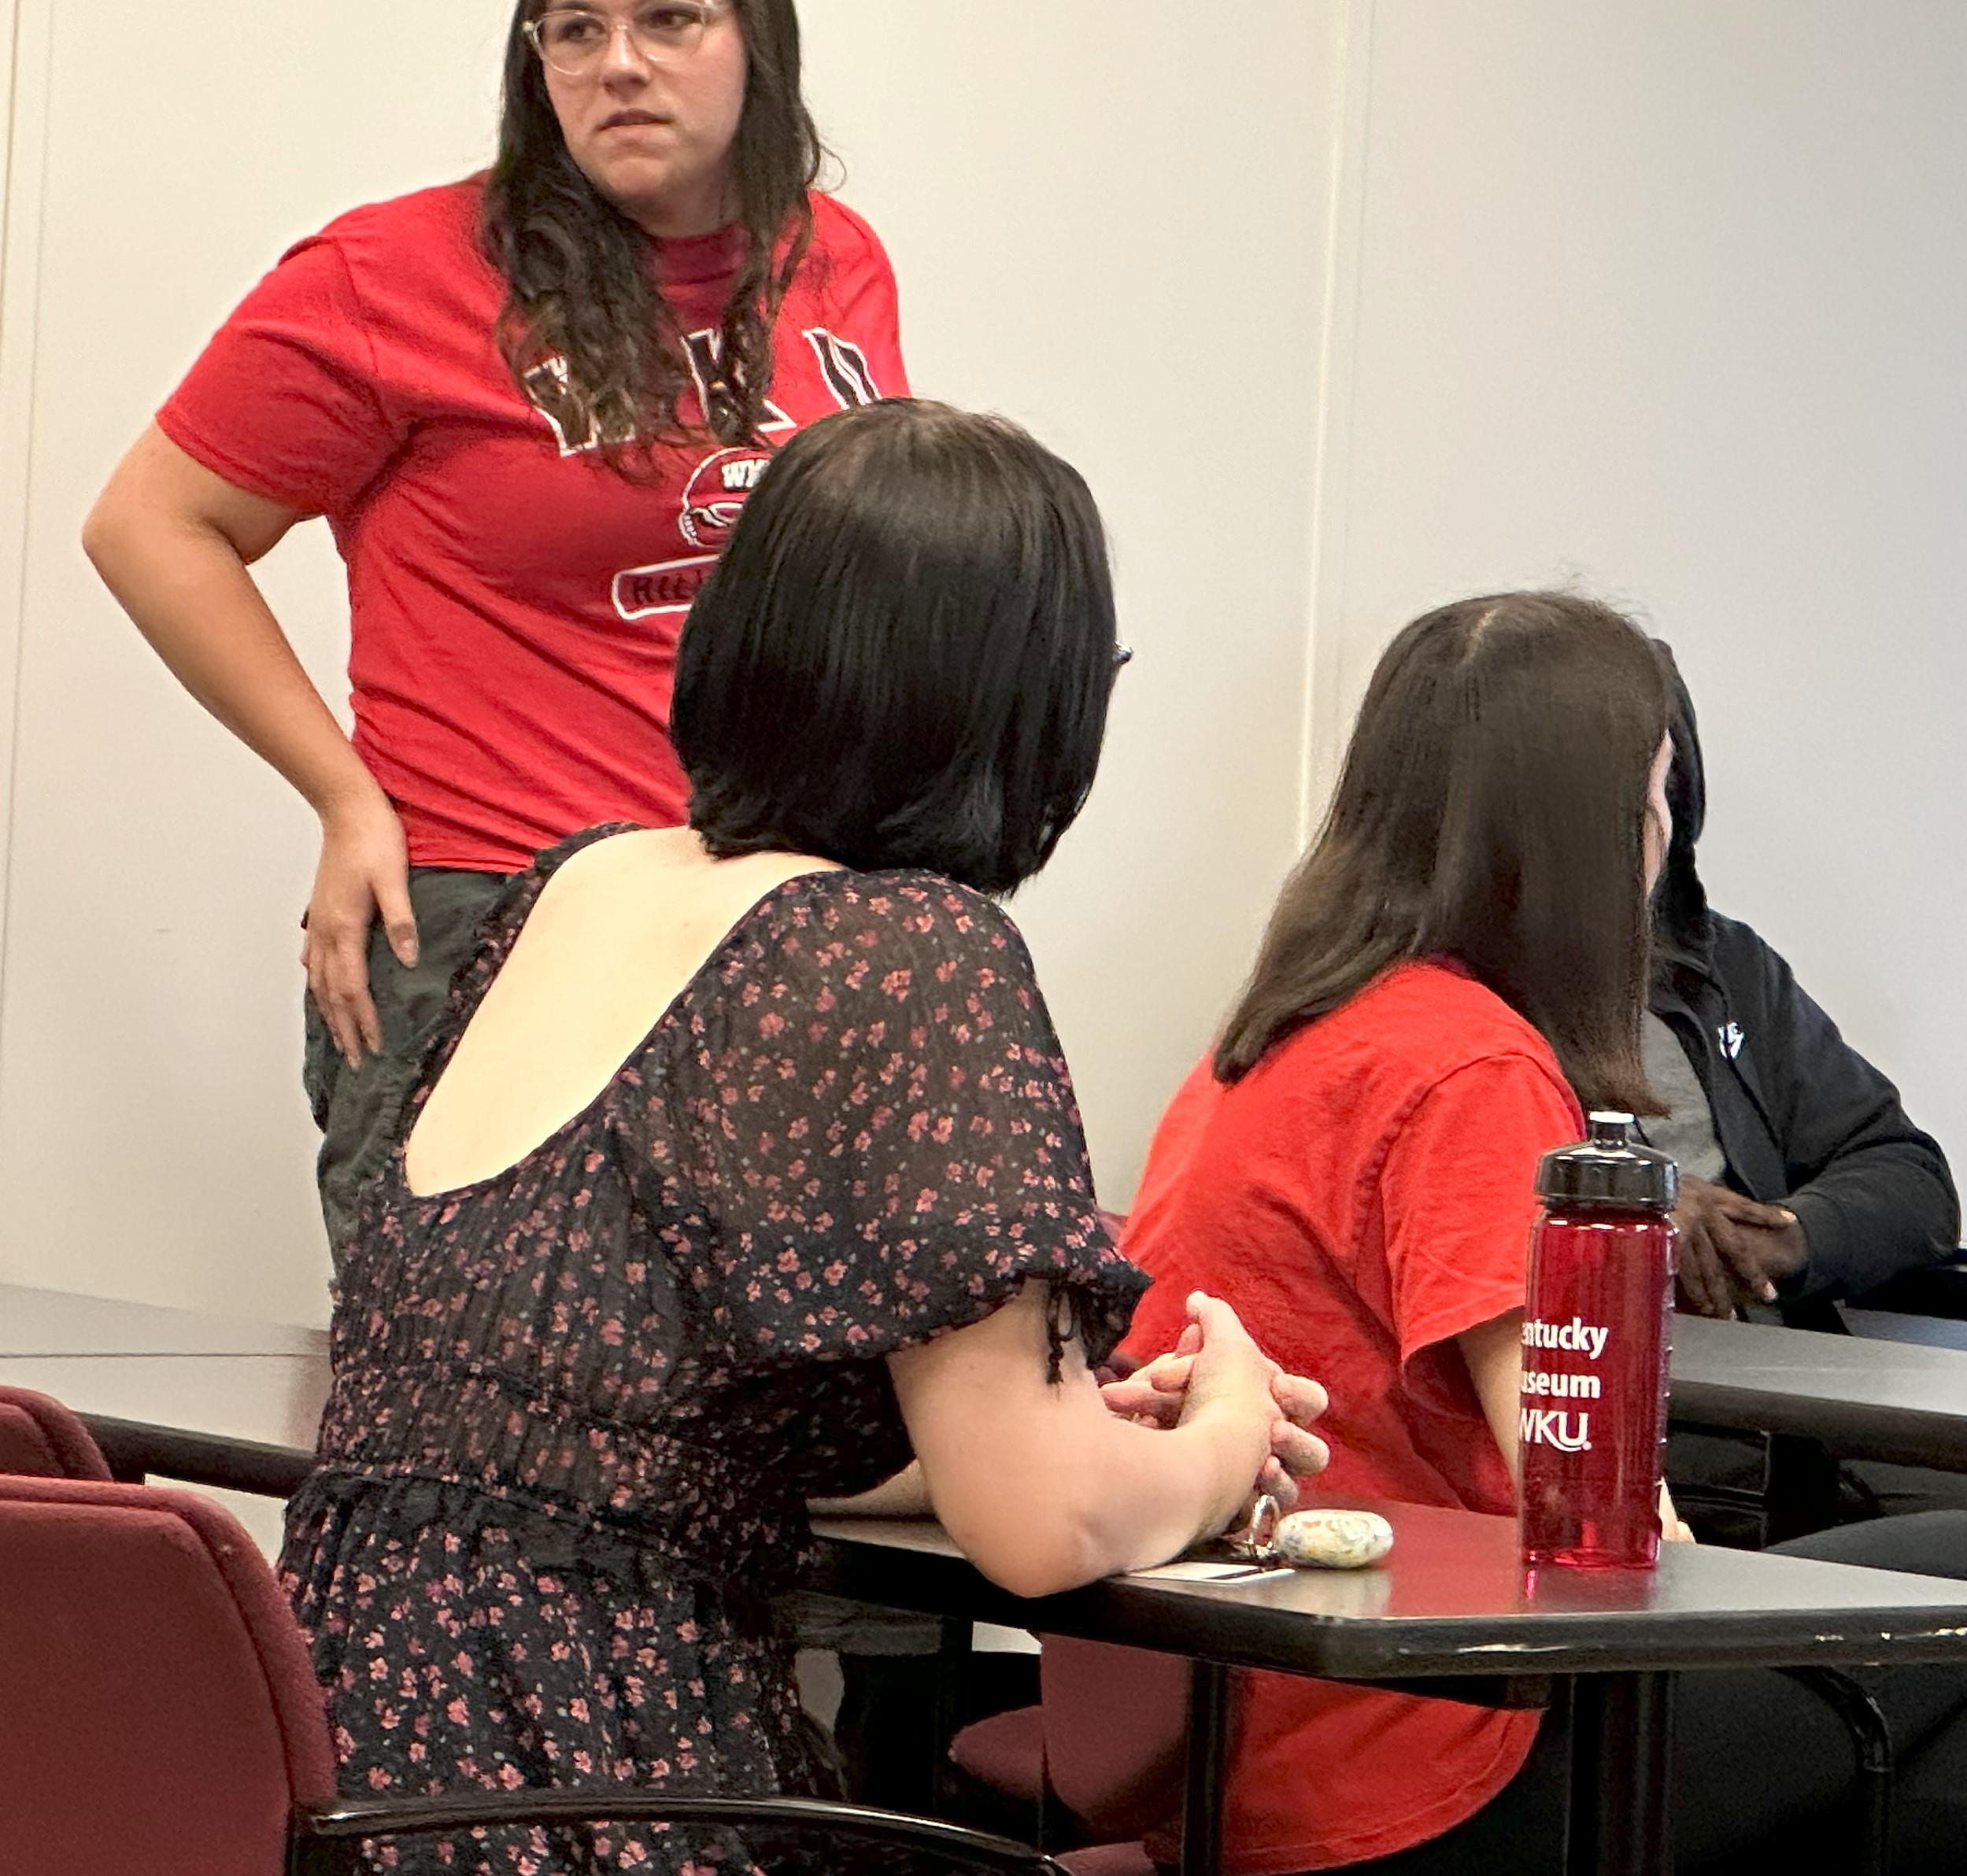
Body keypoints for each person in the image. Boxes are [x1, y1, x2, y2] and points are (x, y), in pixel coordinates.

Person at [276, 401, 1323, 1870]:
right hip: (593, 1769)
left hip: (344, 1750)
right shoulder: (906, 947)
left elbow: (643, 1417)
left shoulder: (576, 883)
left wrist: (1056, 1422)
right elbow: (1040, 1527)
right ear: (1021, 705)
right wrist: (1224, 1440)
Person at [1122, 591, 1967, 1876]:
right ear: (1588, 838)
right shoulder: (1474, 1068)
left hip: (1234, 1744)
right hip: (1418, 1761)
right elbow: (1600, 1522)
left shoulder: (1267, 1039)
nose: (1667, 836)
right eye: (1653, 797)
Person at [83, 0, 906, 1254]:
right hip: (488, 914)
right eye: (574, 31)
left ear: (757, 42)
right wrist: (345, 795)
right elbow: (152, 523)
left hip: (753, 911)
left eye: (669, 21)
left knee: (736, 1420)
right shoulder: (397, 271)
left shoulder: (833, 259)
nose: (618, 65)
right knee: (458, 1423)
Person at [1641, 643, 1958, 1322]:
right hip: (1605, 1389)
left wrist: (1786, 1233)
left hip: (1784, 1396)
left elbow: (1911, 1177)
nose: (1651, 818)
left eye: (1662, 783)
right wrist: (1632, 1199)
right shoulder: (1449, 1000)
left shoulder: (1727, 964)